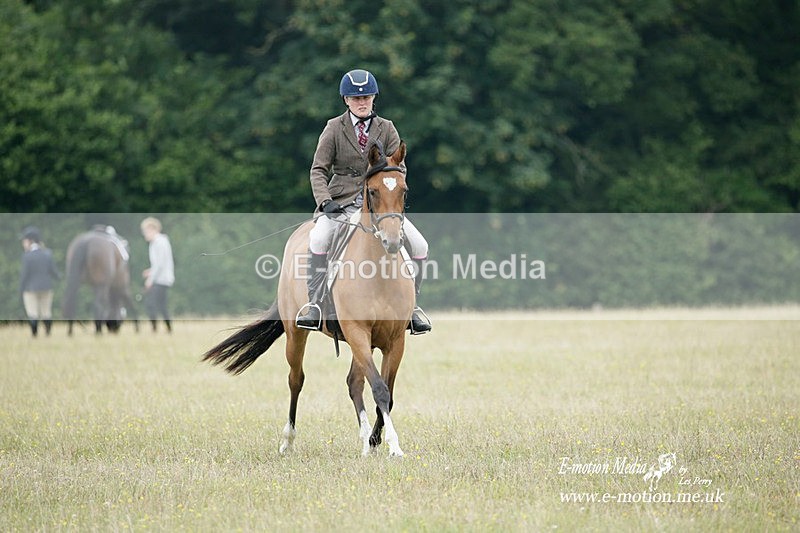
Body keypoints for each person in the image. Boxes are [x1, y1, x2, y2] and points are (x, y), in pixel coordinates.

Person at [296, 68, 431, 334]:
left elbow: (398, 168)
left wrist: (392, 195)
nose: (362, 102)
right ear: (346, 100)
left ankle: (412, 308)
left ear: (373, 98)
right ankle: (315, 305)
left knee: (419, 244)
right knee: (319, 238)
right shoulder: (334, 128)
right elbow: (318, 170)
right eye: (356, 98)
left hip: (382, 206)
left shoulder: (387, 128)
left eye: (367, 97)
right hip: (341, 203)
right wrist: (325, 202)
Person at [19, 226, 59, 337]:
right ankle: (48, 333)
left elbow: (24, 275)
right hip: (47, 287)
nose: (23, 244)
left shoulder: (27, 256)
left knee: (33, 313)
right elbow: (54, 272)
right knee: (46, 312)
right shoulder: (47, 253)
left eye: (25, 241)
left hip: (31, 289)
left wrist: (21, 289)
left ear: (30, 241)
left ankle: (34, 335)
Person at [140, 217, 174, 332]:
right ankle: (169, 329)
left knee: (150, 304)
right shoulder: (158, 242)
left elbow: (159, 264)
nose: (144, 234)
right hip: (162, 278)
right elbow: (159, 263)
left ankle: (154, 329)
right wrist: (150, 271)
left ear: (152, 229)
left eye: (145, 231)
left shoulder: (159, 242)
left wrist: (150, 279)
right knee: (162, 306)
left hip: (161, 279)